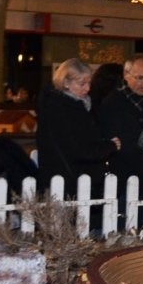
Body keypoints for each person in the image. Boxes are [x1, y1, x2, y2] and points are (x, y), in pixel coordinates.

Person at [35, 58, 119, 192]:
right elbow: (79, 148)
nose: (88, 88)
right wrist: (109, 146)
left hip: (68, 177)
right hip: (70, 179)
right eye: (82, 84)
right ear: (66, 83)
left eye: (89, 83)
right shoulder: (64, 110)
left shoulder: (65, 105)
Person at [97, 55, 143, 192]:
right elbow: (125, 144)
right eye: (140, 78)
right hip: (123, 177)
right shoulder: (113, 103)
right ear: (126, 75)